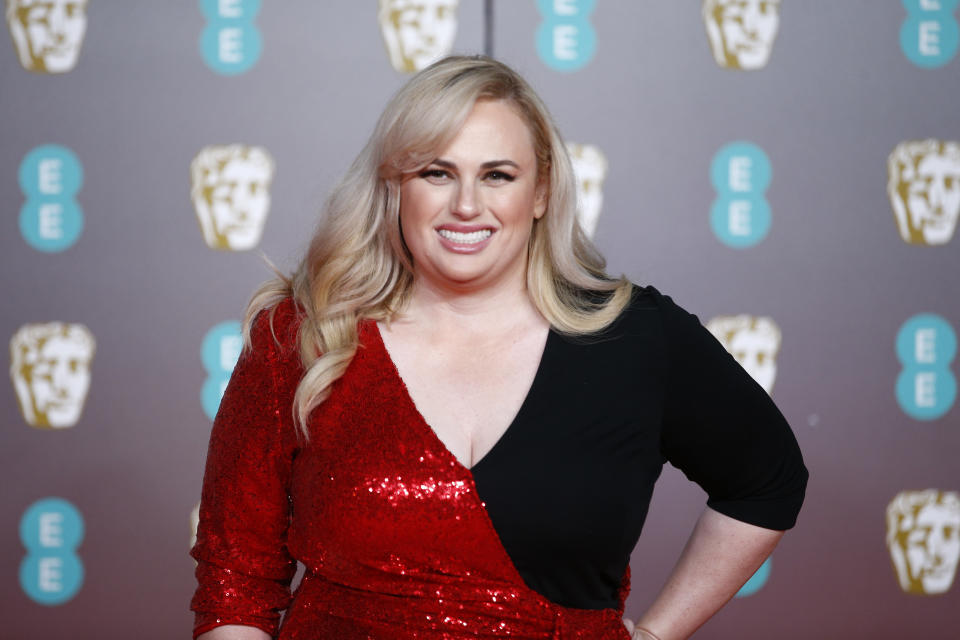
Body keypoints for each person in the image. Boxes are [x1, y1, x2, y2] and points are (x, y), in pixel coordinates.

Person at [190, 55, 807, 640]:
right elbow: (234, 586)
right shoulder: (302, 336)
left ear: (539, 194)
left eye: (497, 175)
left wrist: (654, 632)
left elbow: (768, 479)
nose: (466, 204)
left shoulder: (635, 335)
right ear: (395, 187)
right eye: (437, 172)